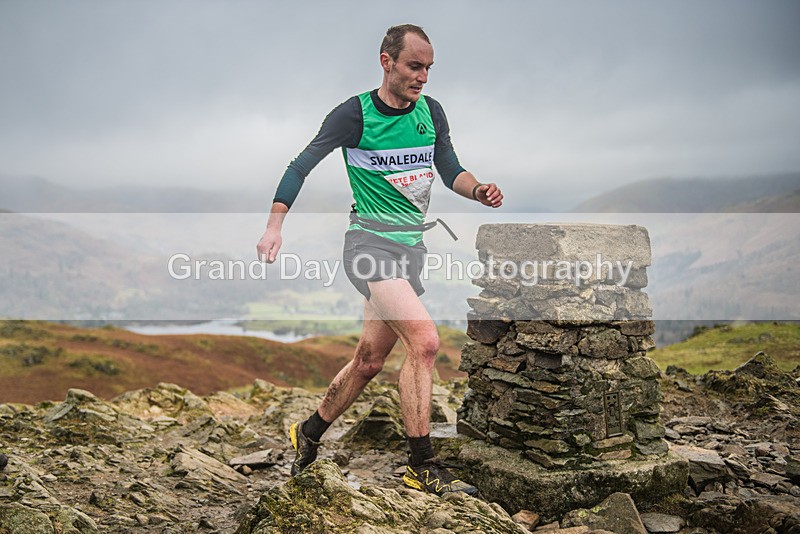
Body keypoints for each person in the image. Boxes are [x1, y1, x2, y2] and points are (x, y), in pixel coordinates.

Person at [256, 24, 502, 496]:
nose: (423, 77)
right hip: (368, 247)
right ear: (386, 61)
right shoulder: (354, 115)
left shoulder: (431, 112)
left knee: (369, 361)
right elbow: (299, 166)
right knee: (425, 342)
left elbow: (449, 168)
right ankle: (421, 463)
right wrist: (274, 226)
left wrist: (479, 189)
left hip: (410, 249)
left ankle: (308, 432)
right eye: (415, 66)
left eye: (429, 68)